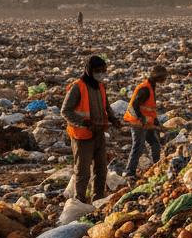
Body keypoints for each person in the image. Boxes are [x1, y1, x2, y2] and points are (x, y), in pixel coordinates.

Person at [61, 55, 120, 202]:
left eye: (104, 71)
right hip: (83, 136)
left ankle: (98, 199)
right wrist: (83, 122)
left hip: (99, 133)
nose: (101, 74)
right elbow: (65, 111)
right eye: (98, 70)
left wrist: (113, 119)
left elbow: (106, 105)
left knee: (101, 170)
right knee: (83, 172)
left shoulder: (100, 85)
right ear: (89, 70)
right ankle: (79, 201)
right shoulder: (77, 87)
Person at [123, 65, 168, 180]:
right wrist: (142, 119)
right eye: (163, 77)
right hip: (138, 123)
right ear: (157, 76)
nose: (164, 79)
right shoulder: (145, 89)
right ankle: (129, 172)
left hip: (147, 123)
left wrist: (155, 120)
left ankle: (156, 167)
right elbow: (135, 105)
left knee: (155, 144)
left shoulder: (151, 86)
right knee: (138, 146)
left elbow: (149, 107)